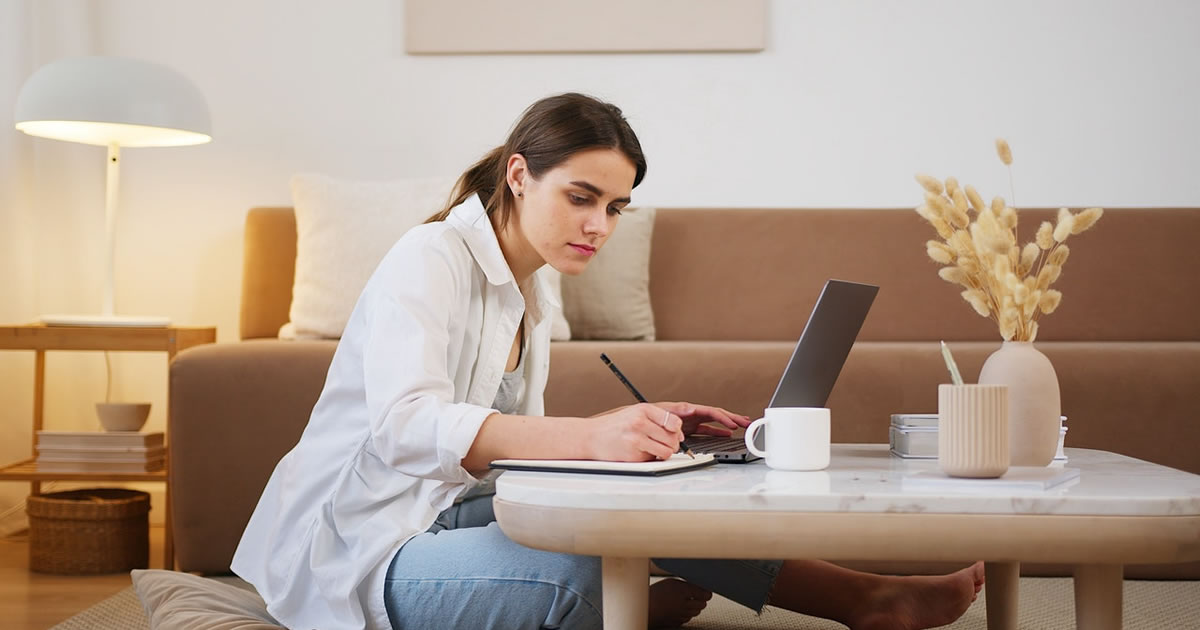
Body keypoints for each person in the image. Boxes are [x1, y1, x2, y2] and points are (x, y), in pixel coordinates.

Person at [232, 92, 984, 630]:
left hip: (438, 510)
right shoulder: (429, 257)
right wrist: (593, 438)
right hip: (358, 547)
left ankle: (864, 598)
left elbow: (503, 449)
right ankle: (625, 610)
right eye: (582, 197)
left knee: (649, 500)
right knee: (589, 569)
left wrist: (634, 434)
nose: (599, 226)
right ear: (520, 175)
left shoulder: (533, 286)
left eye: (615, 208)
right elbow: (406, 427)